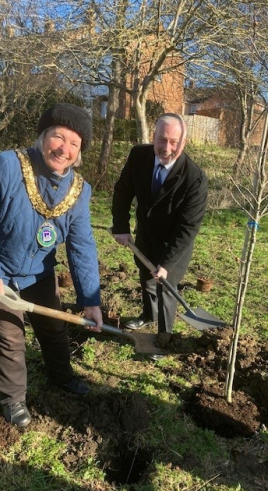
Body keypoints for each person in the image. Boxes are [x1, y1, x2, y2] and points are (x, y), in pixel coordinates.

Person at [0, 103, 103, 427]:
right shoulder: (6, 167)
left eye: (74, 143)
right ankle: (13, 400)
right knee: (10, 337)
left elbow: (81, 247)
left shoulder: (79, 193)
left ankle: (62, 376)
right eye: (58, 137)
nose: (64, 149)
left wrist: (90, 300)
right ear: (43, 136)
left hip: (39, 271)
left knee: (54, 328)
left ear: (80, 153)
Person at [111, 113, 208, 353]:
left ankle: (164, 338)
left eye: (174, 142)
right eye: (162, 140)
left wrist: (165, 263)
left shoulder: (194, 178)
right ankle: (148, 314)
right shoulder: (138, 156)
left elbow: (188, 227)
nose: (167, 147)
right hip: (145, 233)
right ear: (153, 137)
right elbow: (123, 191)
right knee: (145, 275)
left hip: (174, 243)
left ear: (183, 143)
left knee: (166, 288)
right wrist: (121, 226)